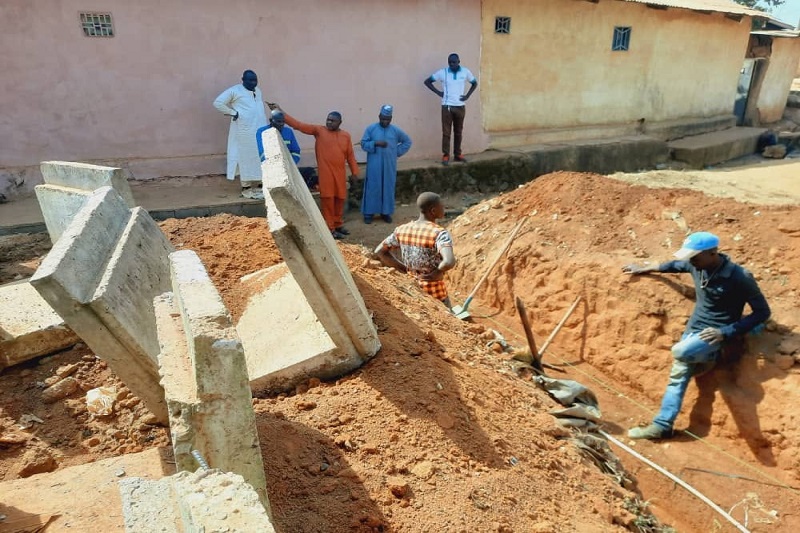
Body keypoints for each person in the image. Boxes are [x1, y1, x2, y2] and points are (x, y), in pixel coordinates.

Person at [622, 232, 771, 440]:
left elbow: (763, 312)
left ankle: (712, 356)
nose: (691, 261)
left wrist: (725, 333)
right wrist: (647, 267)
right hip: (693, 330)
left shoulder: (740, 277)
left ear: (712, 253)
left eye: (695, 257)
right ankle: (663, 425)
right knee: (679, 372)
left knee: (679, 352)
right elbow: (674, 266)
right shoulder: (696, 265)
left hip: (714, 336)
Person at [276, 107, 359, 240]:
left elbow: (350, 156)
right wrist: (282, 114)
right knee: (328, 201)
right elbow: (299, 126)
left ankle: (338, 225)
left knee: (340, 199)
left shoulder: (346, 136)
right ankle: (330, 229)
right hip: (326, 176)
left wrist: (355, 172)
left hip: (340, 175)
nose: (329, 122)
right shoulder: (319, 131)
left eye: (333, 120)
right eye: (328, 119)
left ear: (340, 122)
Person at [375, 192, 456, 308]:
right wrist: (438, 272)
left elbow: (380, 251)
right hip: (435, 293)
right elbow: (449, 261)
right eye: (442, 206)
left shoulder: (402, 229)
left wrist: (404, 269)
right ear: (433, 211)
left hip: (412, 292)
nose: (444, 208)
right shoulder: (439, 233)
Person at [213, 70, 269, 199]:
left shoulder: (258, 91)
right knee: (244, 157)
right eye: (250, 80)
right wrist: (234, 113)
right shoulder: (235, 91)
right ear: (243, 79)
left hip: (259, 129)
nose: (253, 83)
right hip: (243, 131)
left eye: (255, 80)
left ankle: (261, 183)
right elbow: (218, 103)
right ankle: (246, 186)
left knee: (260, 155)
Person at [360, 105, 412, 225]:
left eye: (387, 119)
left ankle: (386, 212)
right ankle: (369, 213)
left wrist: (396, 152)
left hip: (389, 165)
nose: (385, 121)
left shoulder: (395, 130)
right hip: (374, 164)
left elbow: (407, 142)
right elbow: (363, 143)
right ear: (379, 116)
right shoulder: (371, 129)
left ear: (391, 118)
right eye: (383, 118)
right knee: (372, 187)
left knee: (387, 187)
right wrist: (375, 143)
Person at [423, 53, 477, 166]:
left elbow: (474, 83)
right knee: (446, 133)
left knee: (458, 132)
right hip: (447, 106)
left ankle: (458, 154)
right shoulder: (443, 73)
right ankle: (446, 155)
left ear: (458, 62)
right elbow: (427, 82)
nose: (452, 64)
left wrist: (467, 96)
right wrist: (439, 93)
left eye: (454, 62)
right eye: (450, 62)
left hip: (460, 106)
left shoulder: (465, 72)